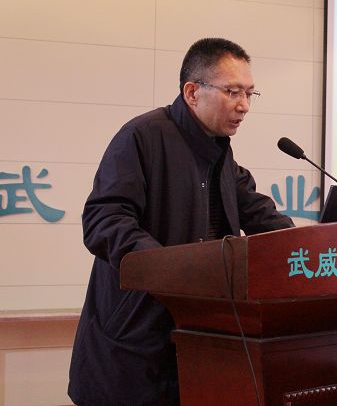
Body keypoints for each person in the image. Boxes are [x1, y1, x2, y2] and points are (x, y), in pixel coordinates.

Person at [68, 37, 294, 405]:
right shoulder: (142, 137)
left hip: (198, 340)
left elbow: (258, 213)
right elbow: (104, 219)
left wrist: (306, 248)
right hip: (135, 343)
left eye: (250, 93)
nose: (244, 105)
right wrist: (169, 268)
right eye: (233, 91)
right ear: (192, 92)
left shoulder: (220, 153)